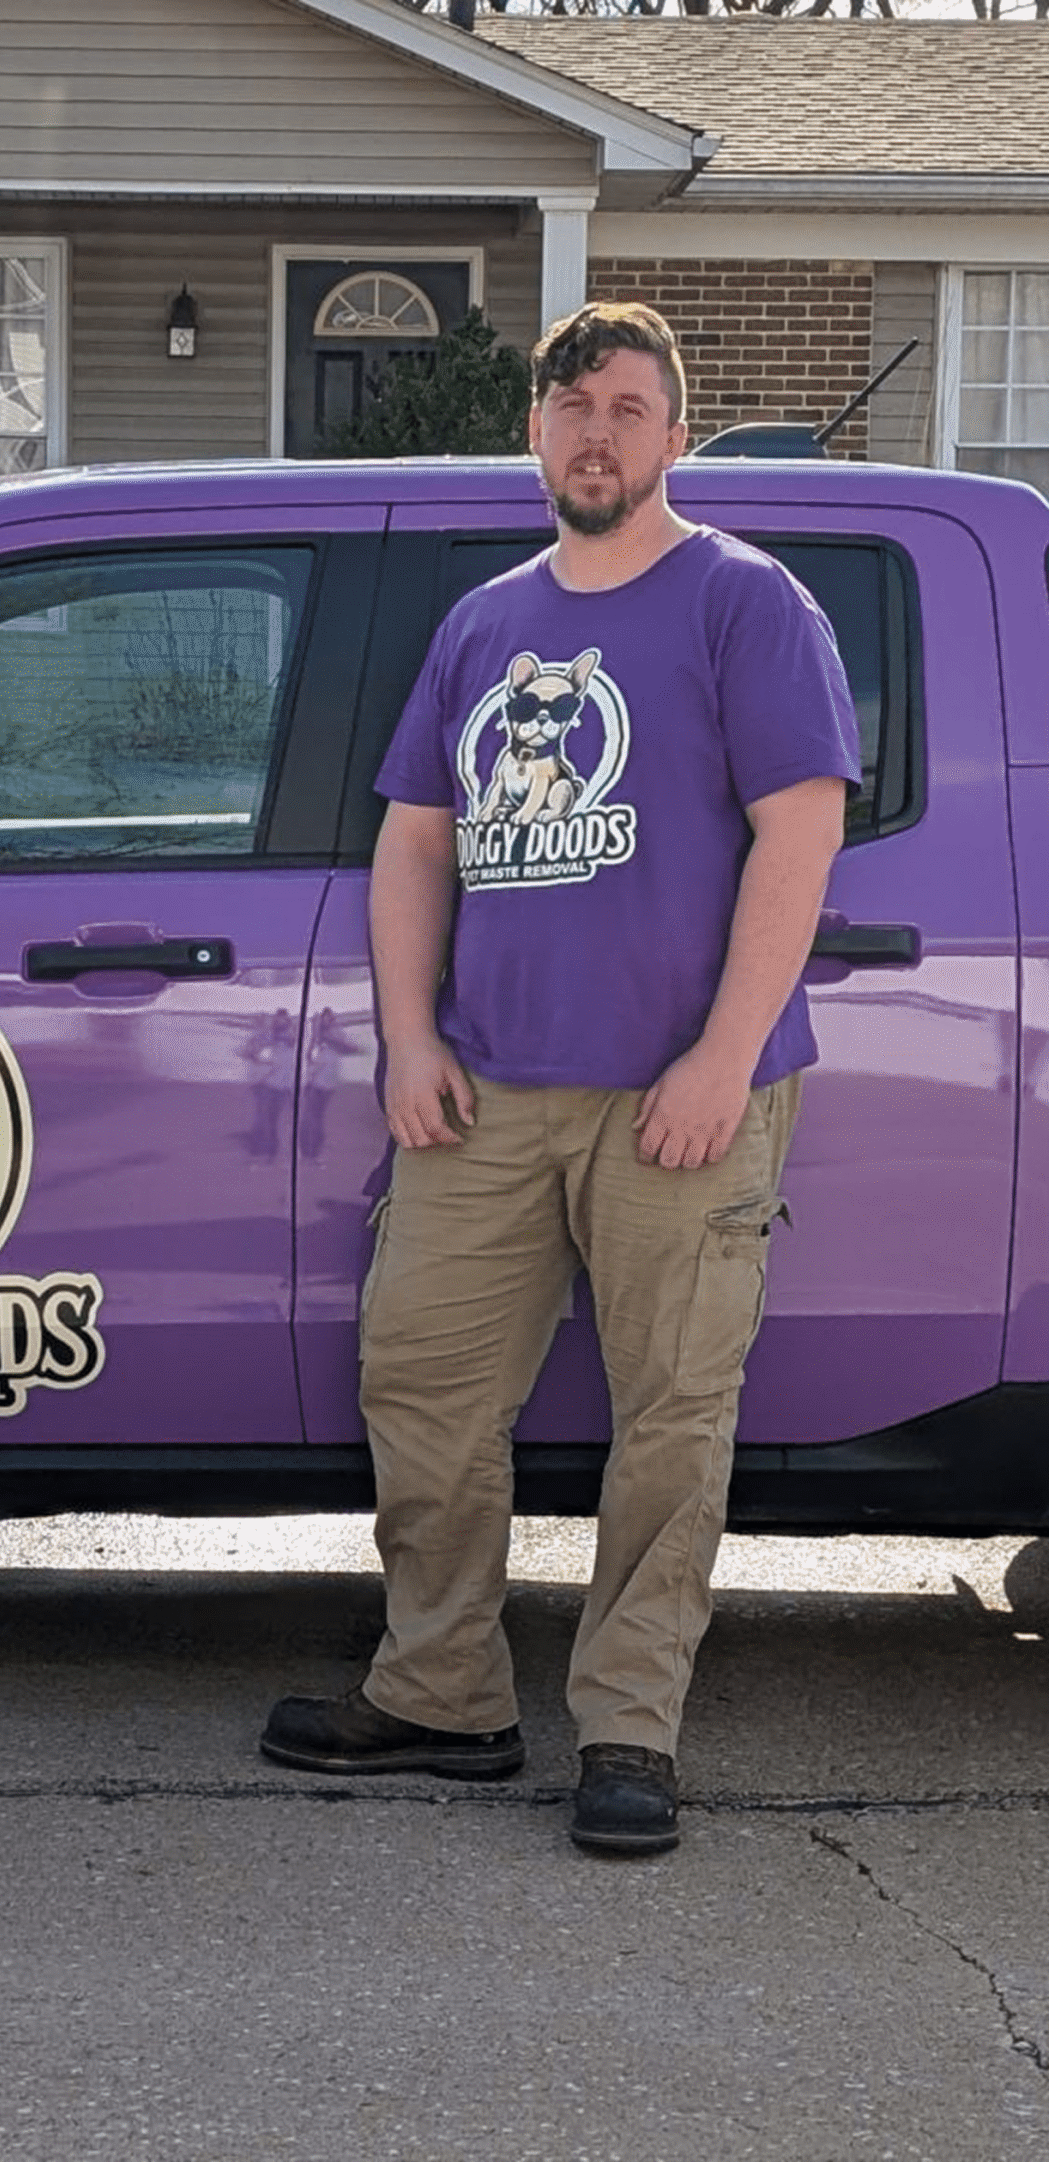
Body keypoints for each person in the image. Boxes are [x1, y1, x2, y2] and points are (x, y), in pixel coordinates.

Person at [260, 300, 860, 1855]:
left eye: (630, 405)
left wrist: (724, 1058)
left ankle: (630, 1727)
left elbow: (802, 831)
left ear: (673, 432)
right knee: (423, 1378)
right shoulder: (485, 624)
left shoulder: (746, 601)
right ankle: (444, 1687)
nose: (598, 430)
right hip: (489, 1088)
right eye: (573, 403)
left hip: (684, 1089)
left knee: (675, 1411)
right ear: (538, 429)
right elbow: (416, 840)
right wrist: (409, 1035)